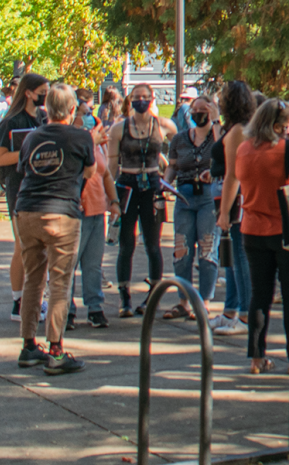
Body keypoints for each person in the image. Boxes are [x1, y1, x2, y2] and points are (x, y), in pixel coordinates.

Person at [230, 97, 289, 375]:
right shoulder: (288, 148)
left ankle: (256, 357)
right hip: (288, 229)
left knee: (260, 295)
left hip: (252, 229)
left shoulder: (243, 149)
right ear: (279, 126)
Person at [14, 84, 95, 375]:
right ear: (73, 109)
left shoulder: (33, 136)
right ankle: (57, 351)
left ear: (46, 107)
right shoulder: (81, 136)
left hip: (27, 209)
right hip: (62, 211)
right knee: (60, 282)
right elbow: (90, 171)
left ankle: (28, 345)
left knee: (32, 279)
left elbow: (24, 170)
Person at [107, 82, 177, 317]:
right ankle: (124, 297)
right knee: (126, 244)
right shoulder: (119, 128)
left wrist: (169, 176)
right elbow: (111, 165)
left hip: (153, 187)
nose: (141, 101)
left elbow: (179, 150)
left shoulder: (164, 125)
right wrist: (111, 198)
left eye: (145, 96)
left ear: (152, 98)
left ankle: (153, 294)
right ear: (130, 100)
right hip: (127, 185)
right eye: (136, 97)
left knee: (153, 244)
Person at [0, 74, 49, 320]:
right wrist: (27, 151)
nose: (45, 96)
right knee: (22, 245)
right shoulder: (11, 122)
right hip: (20, 188)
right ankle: (18, 299)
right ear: (28, 92)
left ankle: (38, 297)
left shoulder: (45, 119)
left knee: (42, 246)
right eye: (42, 91)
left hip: (44, 186)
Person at [164, 96, 220, 319]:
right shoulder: (179, 139)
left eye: (203, 110)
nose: (197, 114)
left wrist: (216, 123)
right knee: (182, 250)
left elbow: (222, 154)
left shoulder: (217, 136)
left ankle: (204, 301)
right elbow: (173, 166)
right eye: (194, 110)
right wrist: (166, 184)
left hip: (208, 195)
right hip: (184, 195)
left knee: (207, 249)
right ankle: (183, 301)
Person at [211, 81, 257, 336]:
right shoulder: (239, 128)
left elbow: (232, 175)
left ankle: (246, 316)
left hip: (236, 198)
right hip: (231, 194)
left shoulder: (239, 130)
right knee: (231, 256)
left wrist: (226, 212)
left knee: (239, 256)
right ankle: (231, 310)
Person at [73, 123, 118, 329]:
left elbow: (105, 173)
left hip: (97, 211)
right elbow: (82, 172)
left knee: (93, 264)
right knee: (69, 264)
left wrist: (114, 201)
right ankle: (66, 310)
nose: (90, 125)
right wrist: (90, 143)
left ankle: (95, 308)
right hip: (77, 212)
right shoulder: (76, 144)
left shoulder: (98, 146)